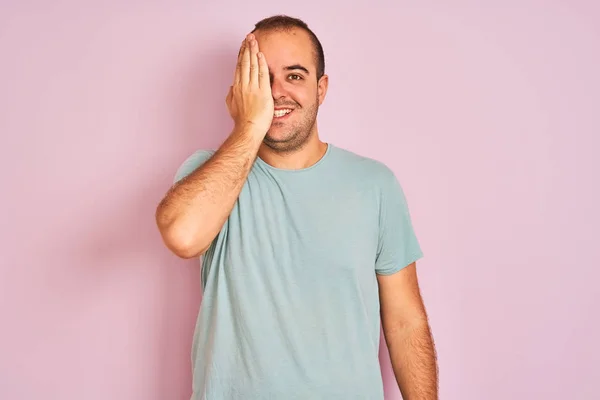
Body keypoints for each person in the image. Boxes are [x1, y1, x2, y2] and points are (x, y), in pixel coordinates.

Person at [155, 14, 438, 400]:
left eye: (294, 75)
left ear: (321, 88)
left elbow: (406, 321)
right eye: (262, 78)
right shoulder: (208, 173)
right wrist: (251, 126)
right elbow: (183, 236)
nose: (277, 91)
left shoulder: (375, 185)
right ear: (241, 89)